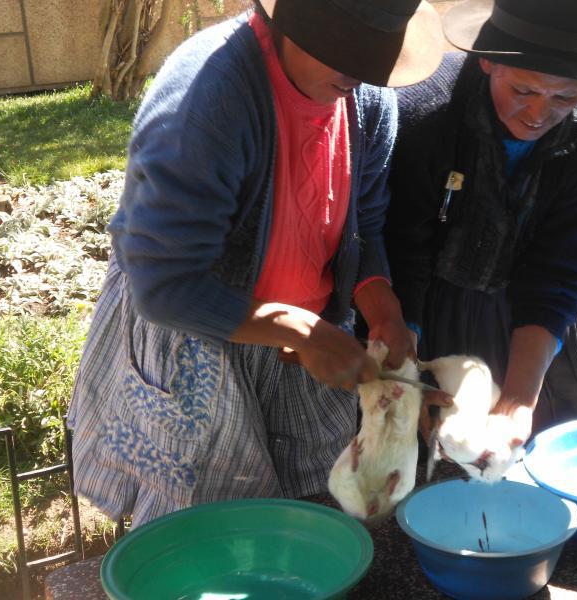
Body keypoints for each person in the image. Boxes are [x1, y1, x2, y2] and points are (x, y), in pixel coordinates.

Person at [66, 0, 443, 528]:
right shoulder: (209, 99)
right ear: (295, 21)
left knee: (306, 514)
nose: (360, 76)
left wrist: (381, 306)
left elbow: (368, 220)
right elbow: (166, 285)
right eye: (347, 56)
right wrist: (300, 329)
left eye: (373, 60)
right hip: (199, 334)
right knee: (208, 530)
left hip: (302, 342)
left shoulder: (368, 100)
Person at [386, 0, 577, 447]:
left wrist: (521, 400)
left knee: (549, 446)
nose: (538, 114)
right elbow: (403, 253)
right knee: (424, 445)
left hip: (536, 324)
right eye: (524, 91)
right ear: (487, 60)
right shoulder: (422, 114)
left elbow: (557, 276)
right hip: (424, 310)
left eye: (566, 95)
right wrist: (404, 376)